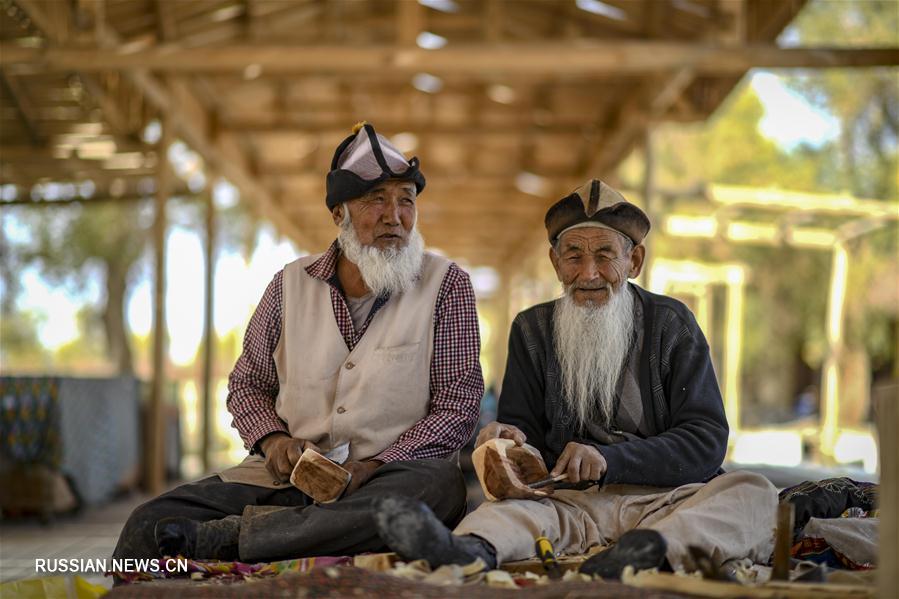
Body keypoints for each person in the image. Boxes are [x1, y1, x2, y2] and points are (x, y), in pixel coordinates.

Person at [112, 123, 484, 564]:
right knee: (148, 521)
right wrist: (274, 443)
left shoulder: (446, 285)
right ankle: (301, 530)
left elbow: (457, 406)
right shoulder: (289, 284)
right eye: (375, 199)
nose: (394, 216)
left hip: (391, 477)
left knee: (431, 493)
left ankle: (238, 539)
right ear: (338, 214)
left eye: (406, 200)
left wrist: (373, 466)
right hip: (285, 484)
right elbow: (248, 384)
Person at [374, 179, 777, 578]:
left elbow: (706, 440)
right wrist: (506, 442)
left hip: (668, 501)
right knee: (506, 513)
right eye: (574, 256)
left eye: (605, 255)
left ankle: (651, 551)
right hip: (568, 504)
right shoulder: (531, 329)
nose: (588, 273)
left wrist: (609, 460)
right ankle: (468, 551)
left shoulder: (672, 324)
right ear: (555, 263)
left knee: (752, 493)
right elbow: (525, 436)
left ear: (634, 262)